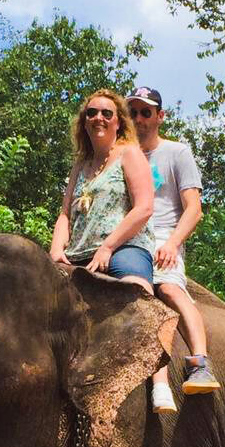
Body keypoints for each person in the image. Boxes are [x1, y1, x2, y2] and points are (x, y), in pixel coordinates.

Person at [126, 86, 221, 413]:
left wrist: (172, 243)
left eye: (146, 112)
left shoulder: (177, 152)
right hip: (130, 238)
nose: (138, 119)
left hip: (165, 235)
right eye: (133, 112)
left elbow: (193, 208)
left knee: (168, 289)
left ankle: (200, 363)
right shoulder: (123, 155)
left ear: (160, 116)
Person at [50, 89, 154, 294]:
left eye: (107, 114)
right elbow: (65, 215)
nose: (99, 118)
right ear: (84, 122)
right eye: (91, 113)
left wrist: (107, 247)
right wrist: (55, 250)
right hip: (77, 254)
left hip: (122, 250)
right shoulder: (80, 165)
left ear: (119, 122)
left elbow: (144, 208)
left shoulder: (130, 153)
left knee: (137, 295)